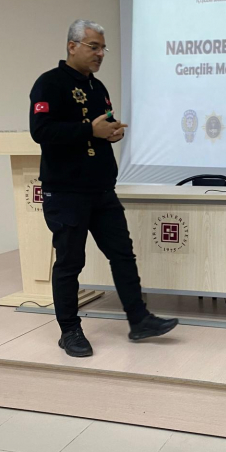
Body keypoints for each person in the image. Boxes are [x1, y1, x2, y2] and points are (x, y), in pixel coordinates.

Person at [29, 19, 178, 358]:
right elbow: (41, 130)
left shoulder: (98, 88)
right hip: (66, 191)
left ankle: (139, 320)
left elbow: (102, 125)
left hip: (101, 188)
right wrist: (89, 130)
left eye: (102, 48)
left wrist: (112, 133)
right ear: (72, 46)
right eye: (93, 47)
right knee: (70, 262)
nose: (100, 54)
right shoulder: (48, 83)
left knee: (122, 254)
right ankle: (69, 331)